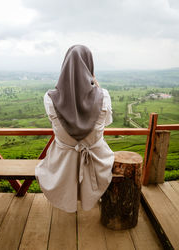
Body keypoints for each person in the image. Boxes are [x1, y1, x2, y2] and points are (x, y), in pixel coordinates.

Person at [35, 45, 114, 213]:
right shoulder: (104, 96)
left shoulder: (50, 98)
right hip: (98, 162)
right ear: (90, 66)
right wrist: (97, 87)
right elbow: (107, 122)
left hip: (61, 164)